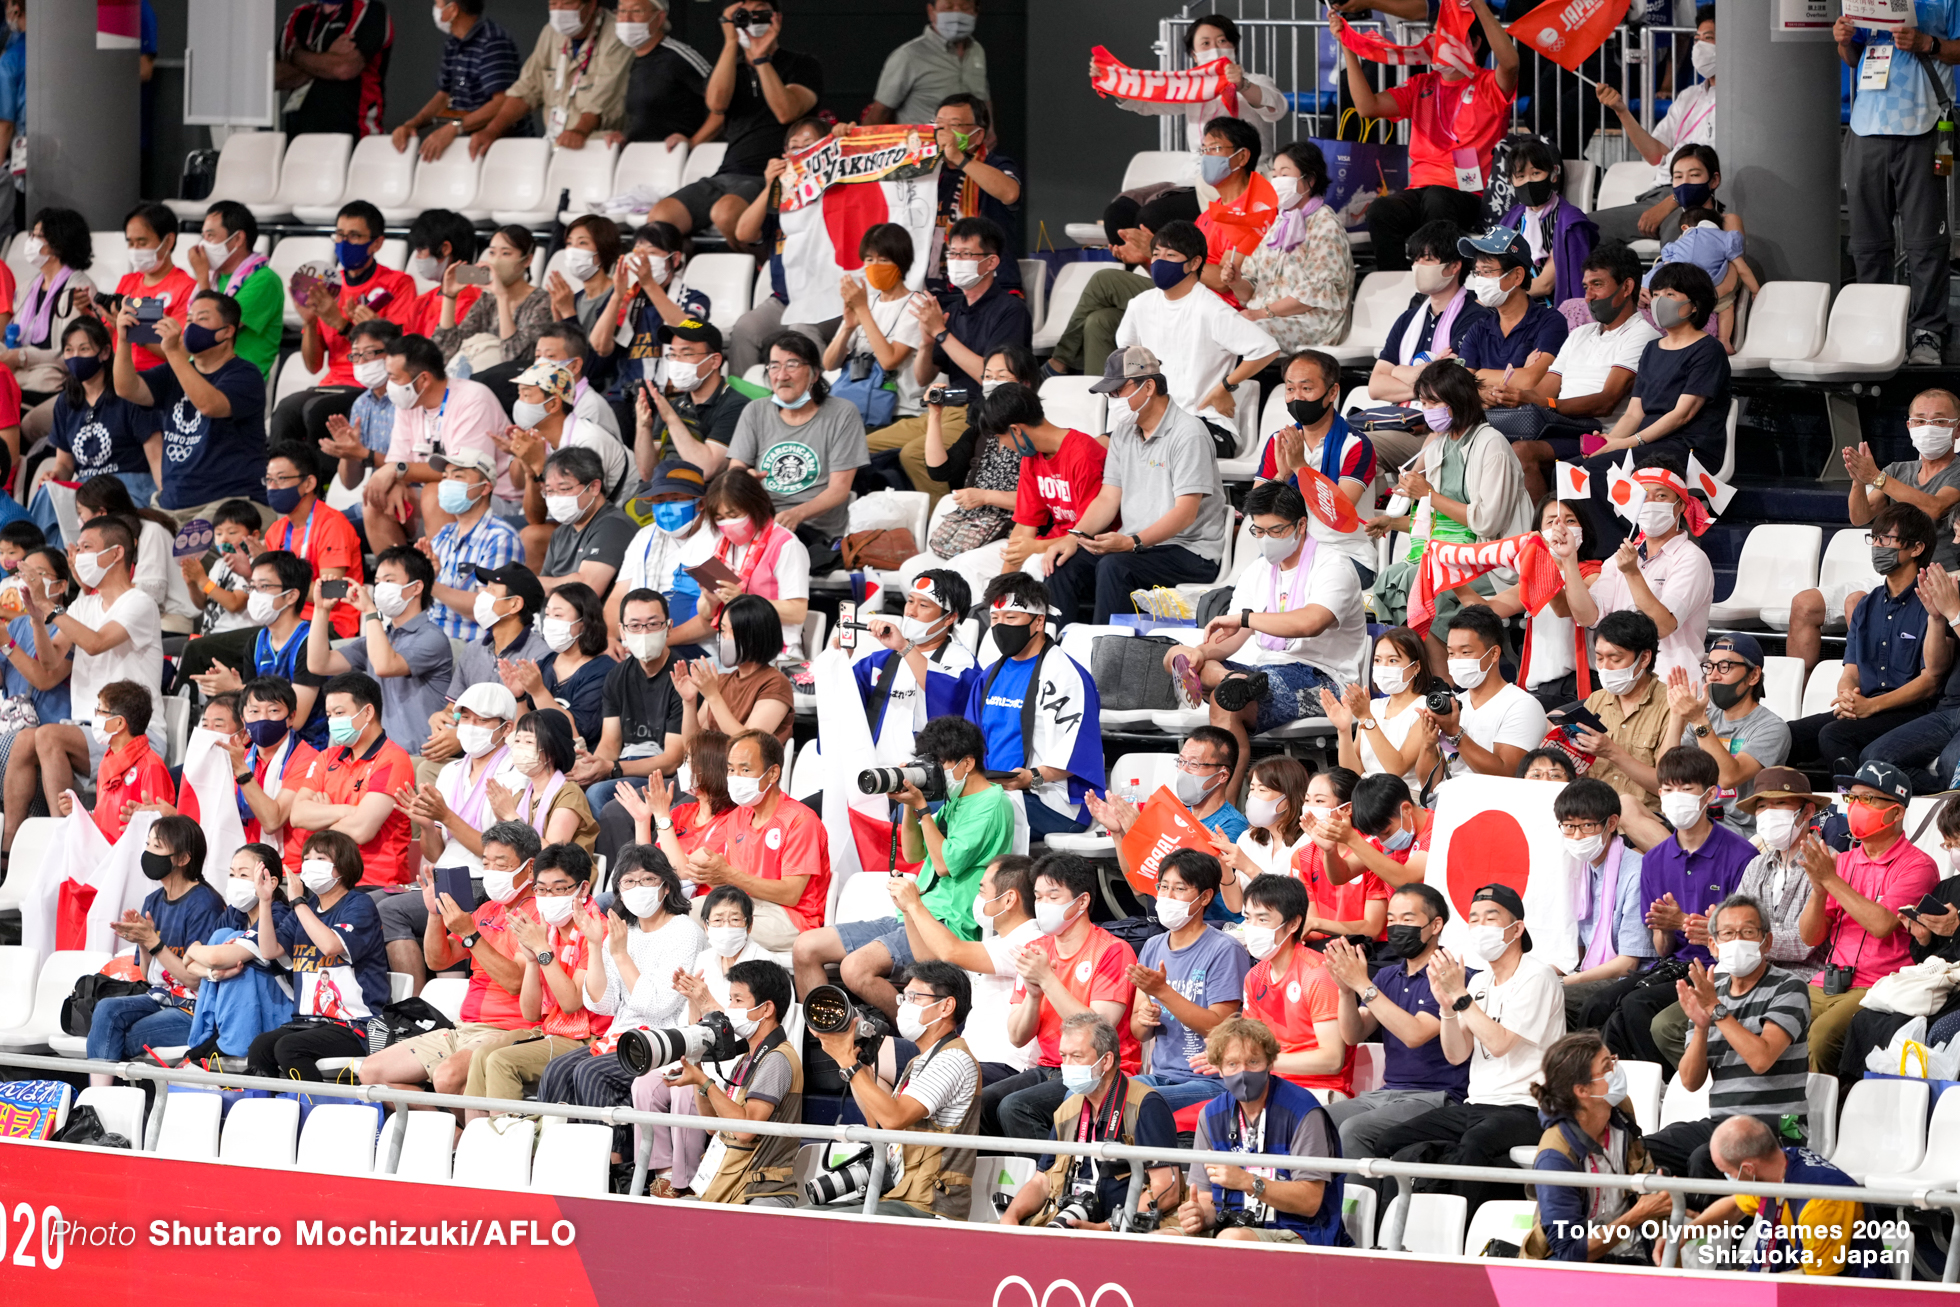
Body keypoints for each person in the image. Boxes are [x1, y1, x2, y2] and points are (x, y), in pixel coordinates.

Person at [792, 714, 1012, 1014]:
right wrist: (910, 807)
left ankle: (916, 1038)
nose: (934, 773)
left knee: (855, 969)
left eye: (940, 765)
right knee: (806, 947)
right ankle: (821, 1040)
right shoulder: (954, 800)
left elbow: (945, 864)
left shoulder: (992, 803)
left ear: (968, 763)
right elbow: (912, 852)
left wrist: (922, 808)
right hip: (911, 914)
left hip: (947, 925)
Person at [1371, 883, 1566, 1213]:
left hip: (1528, 1106)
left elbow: (1500, 1043)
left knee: (1476, 1142)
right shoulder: (1478, 983)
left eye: (1490, 918)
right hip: (1478, 1103)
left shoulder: (1538, 976)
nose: (1479, 927)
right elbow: (1456, 1053)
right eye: (1473, 919)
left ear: (1516, 928)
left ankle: (1458, 1238)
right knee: (1390, 1140)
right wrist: (1447, 1007)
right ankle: (1395, 1233)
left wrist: (1459, 997)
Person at [1172, 481, 1364, 784]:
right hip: (1266, 673)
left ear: (1301, 525)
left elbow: (1310, 622)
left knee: (1227, 698)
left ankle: (1226, 806)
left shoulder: (1333, 565)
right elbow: (1234, 637)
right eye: (1258, 531)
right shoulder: (1257, 571)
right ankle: (1230, 682)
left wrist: (1247, 618)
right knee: (1178, 654)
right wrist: (1203, 653)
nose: (1265, 540)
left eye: (1275, 531)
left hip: (1324, 680)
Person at [4, 516, 162, 853]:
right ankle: (9, 850)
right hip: (86, 729)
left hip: (132, 734)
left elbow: (94, 642)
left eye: (87, 547)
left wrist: (48, 606)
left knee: (47, 735)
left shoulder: (139, 602)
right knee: (23, 741)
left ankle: (65, 844)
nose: (78, 556)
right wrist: (36, 618)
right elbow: (50, 662)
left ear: (116, 553)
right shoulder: (84, 604)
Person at [535, 850, 703, 1165]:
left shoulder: (685, 932)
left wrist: (621, 955)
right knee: (557, 1071)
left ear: (666, 887)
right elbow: (604, 1001)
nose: (638, 887)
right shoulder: (625, 932)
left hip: (665, 1040)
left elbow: (656, 1005)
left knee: (591, 1072)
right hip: (624, 1035)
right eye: (629, 881)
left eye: (647, 880)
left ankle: (612, 1165)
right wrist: (597, 946)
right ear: (620, 892)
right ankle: (558, 1159)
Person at [1595, 746, 1757, 1069]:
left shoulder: (1740, 856)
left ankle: (1671, 1083)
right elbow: (1662, 947)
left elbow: (1742, 939)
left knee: (1636, 1007)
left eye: (1686, 789)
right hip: (1673, 965)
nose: (1675, 797)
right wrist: (1666, 927)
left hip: (1715, 969)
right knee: (1601, 1004)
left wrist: (1685, 920)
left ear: (1710, 794)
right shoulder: (1655, 859)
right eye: (1667, 789)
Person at [1042, 345, 1229, 623]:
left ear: (1149, 386)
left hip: (1190, 551)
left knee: (1115, 567)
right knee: (1062, 564)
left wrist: (1132, 542)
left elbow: (1185, 512)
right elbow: (1108, 498)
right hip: (1138, 547)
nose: (1112, 399)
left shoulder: (1189, 433)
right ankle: (1058, 650)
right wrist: (1073, 536)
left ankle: (1104, 651)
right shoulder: (1123, 433)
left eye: (1119, 391)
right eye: (1110, 393)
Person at [357, 820, 543, 1093]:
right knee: (371, 1072)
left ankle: (466, 1133)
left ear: (529, 867)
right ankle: (453, 1135)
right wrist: (435, 914)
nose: (491, 872)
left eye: (501, 865)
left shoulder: (539, 914)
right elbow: (438, 961)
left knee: (447, 1077)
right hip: (463, 1028)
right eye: (486, 864)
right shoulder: (487, 909)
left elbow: (515, 982)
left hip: (510, 1030)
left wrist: (471, 934)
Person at [1640, 894, 1813, 1187]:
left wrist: (1717, 1011)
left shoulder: (1789, 987)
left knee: (1703, 1159)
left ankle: (1710, 1233)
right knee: (1642, 1151)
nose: (1738, 941)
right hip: (1724, 1123)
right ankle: (1666, 1226)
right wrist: (1702, 1025)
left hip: (1782, 1126)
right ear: (1713, 945)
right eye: (1728, 934)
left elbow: (1762, 1060)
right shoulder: (1712, 991)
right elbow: (1691, 1081)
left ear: (1766, 942)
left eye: (1748, 932)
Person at [1338, 0, 1518, 268]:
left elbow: (1511, 63)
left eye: (1451, 33)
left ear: (1476, 43)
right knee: (1382, 209)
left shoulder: (1488, 84)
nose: (1441, 41)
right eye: (1438, 34)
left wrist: (1479, 5)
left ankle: (1443, 281)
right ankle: (1396, 283)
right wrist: (1347, 46)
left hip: (1468, 195)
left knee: (1438, 198)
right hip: (1420, 191)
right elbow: (1367, 107)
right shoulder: (1422, 84)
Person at [1793, 388, 1960, 672]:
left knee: (1857, 604)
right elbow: (1859, 516)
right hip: (1892, 575)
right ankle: (1799, 693)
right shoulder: (1898, 470)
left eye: (1940, 421)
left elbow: (1933, 508)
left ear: (1957, 429)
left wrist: (1877, 478)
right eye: (1920, 420)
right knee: (1805, 604)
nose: (1928, 428)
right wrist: (1859, 481)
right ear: (1908, 426)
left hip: (1939, 579)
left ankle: (1872, 687)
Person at [1796, 759, 1940, 1075]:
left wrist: (1830, 879)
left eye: (1868, 799)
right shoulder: (1844, 862)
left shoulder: (1918, 866)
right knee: (1770, 1017)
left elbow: (1881, 925)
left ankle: (1810, 1121)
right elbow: (1810, 937)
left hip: (1877, 987)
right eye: (1852, 798)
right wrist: (1819, 892)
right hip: (1827, 980)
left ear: (1897, 811)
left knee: (1819, 1039)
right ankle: (1760, 1114)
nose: (1856, 807)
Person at [871, 218, 1030, 500]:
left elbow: (992, 376)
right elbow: (922, 377)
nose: (957, 260)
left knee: (916, 454)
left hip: (981, 412)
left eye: (966, 254)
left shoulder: (1010, 310)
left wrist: (942, 333)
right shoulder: (953, 311)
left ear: (991, 262)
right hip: (945, 407)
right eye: (952, 253)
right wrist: (927, 342)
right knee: (863, 445)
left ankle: (940, 524)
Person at [988, 853, 1141, 1138]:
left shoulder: (1113, 951)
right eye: (1038, 897)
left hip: (1098, 1072)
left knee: (1016, 1107)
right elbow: (1017, 1036)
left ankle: (1050, 1179)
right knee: (983, 1103)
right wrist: (1033, 994)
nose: (1043, 905)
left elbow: (1099, 1032)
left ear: (1081, 902)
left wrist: (1047, 979)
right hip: (1049, 1067)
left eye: (1053, 897)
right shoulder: (1036, 948)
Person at [1368, 361, 1531, 625]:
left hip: (1493, 565)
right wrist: (1393, 523)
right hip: (1455, 556)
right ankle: (1407, 658)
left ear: (1459, 401)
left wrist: (1428, 495)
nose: (1428, 411)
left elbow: (1487, 522)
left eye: (1435, 403)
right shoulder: (1438, 447)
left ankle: (1438, 664)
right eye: (1424, 403)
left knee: (1423, 585)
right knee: (1390, 579)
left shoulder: (1492, 445)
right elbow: (1440, 524)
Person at [818, 959, 984, 1219]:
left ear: (946, 1006)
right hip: (901, 1195)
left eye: (914, 997)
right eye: (904, 998)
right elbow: (879, 1124)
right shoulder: (919, 1061)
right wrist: (860, 1072)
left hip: (929, 1204)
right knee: (807, 1215)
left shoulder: (954, 1059)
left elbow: (894, 1118)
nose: (904, 1006)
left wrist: (847, 1062)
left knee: (818, 1224)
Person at [1786, 503, 1945, 772]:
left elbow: (1930, 682)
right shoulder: (1866, 605)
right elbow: (1851, 670)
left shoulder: (1932, 602)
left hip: (1913, 711)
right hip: (1867, 706)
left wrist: (1871, 706)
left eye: (1886, 540)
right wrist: (1847, 697)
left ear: (1916, 548)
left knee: (1834, 734)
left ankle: (1855, 804)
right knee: (1787, 734)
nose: (1877, 547)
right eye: (1874, 538)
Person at [648, 0, 822, 246]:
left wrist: (762, 60)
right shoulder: (731, 68)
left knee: (726, 212)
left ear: (776, 19)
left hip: (774, 174)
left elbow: (786, 112)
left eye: (760, 13)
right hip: (727, 172)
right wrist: (731, 41)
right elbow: (716, 104)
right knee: (660, 217)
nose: (751, 20)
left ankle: (757, 270)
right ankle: (679, 270)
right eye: (744, 15)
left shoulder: (802, 65)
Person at [1497, 243, 1662, 499]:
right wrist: (1512, 396)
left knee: (1522, 451)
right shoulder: (1580, 333)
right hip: (1560, 426)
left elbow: (1605, 403)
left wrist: (1544, 401)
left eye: (1598, 285)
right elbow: (1544, 390)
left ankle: (1541, 533)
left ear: (1627, 287)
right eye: (1586, 287)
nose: (1588, 297)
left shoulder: (1643, 335)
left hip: (1600, 435)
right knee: (1490, 444)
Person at [1319, 885, 1471, 1162]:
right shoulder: (1387, 976)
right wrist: (1345, 990)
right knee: (1315, 1121)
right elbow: (1353, 1035)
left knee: (1355, 1129)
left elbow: (1415, 1034)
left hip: (1438, 1096)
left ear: (1436, 925)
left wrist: (1363, 984)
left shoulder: (1452, 975)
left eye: (1407, 919)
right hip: (1387, 1093)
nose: (1397, 927)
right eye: (1391, 919)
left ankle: (1357, 1205)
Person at [1580, 264, 1733, 537]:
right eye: (1657, 292)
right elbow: (1633, 413)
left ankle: (1617, 551)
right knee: (1573, 469)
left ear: (1694, 304)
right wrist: (1607, 443)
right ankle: (1583, 552)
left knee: (1597, 472)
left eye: (1671, 294)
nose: (1660, 301)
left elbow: (1682, 414)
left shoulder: (1709, 350)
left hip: (1687, 448)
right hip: (1647, 443)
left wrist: (1626, 443)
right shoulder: (1652, 348)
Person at [1840, 6, 1955, 364]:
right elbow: (1854, 55)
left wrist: (1928, 43)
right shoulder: (1866, 0)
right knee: (1867, 243)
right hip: (1866, 126)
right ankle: (1876, 330)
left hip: (1925, 124)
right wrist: (1843, 41)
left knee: (1926, 241)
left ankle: (1928, 333)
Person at [382, 681, 517, 984]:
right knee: (372, 903)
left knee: (391, 912)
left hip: (485, 881)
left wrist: (445, 815)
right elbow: (436, 853)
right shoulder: (451, 771)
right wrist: (428, 824)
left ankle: (414, 1007)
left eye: (482, 720)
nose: (471, 727)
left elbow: (499, 853)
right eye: (465, 719)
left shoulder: (514, 771)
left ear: (506, 728)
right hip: (447, 876)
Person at [1174, 1014, 1348, 1245]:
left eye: (1253, 1062)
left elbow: (1310, 1201)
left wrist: (1248, 1181)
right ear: (1219, 1068)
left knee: (1231, 1239)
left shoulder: (1303, 1112)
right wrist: (1199, 1216)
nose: (1243, 1073)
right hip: (1232, 1226)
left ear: (1270, 1062)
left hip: (1299, 1231)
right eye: (1233, 1064)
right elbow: (1207, 1198)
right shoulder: (1212, 1115)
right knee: (1164, 1238)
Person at [1113, 217, 1280, 457]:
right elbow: (1126, 358)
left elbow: (1266, 349)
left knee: (1156, 453)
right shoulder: (1140, 305)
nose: (1160, 262)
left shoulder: (1210, 308)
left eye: (1170, 256)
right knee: (1100, 449)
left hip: (1205, 424)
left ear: (1194, 263)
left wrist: (1225, 386)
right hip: (1153, 421)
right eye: (1156, 254)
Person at [1000, 1012, 1181, 1228]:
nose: (1066, 1065)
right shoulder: (1068, 1109)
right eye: (1063, 1056)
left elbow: (1167, 1188)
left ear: (1106, 1061)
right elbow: (1042, 1181)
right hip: (1074, 1220)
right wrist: (1011, 1216)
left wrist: (1106, 1228)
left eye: (1076, 1056)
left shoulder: (1146, 1105)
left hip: (1128, 1231)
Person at [462, 845, 605, 1114]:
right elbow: (529, 1012)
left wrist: (541, 952)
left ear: (583, 889)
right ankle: (478, 1148)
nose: (548, 897)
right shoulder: (546, 930)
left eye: (558, 889)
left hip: (588, 1036)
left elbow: (572, 1002)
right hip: (549, 1027)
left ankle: (508, 1146)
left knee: (502, 1061)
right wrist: (530, 959)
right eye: (541, 889)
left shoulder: (596, 928)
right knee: (480, 1056)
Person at [81, 816, 223, 1079]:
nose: (148, 853)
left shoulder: (205, 903)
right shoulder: (153, 900)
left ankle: (102, 1103)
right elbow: (148, 977)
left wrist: (153, 942)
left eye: (157, 847)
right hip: (159, 998)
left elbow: (195, 979)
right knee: (105, 1010)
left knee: (121, 1034)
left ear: (183, 858)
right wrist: (142, 943)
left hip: (193, 1008)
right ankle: (97, 1100)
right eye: (147, 844)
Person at [964, 575, 1105, 839]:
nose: (1000, 626)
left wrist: (1030, 778)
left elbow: (1078, 752)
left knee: (976, 812)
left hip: (1053, 801)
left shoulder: (1067, 676)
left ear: (1038, 621)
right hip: (993, 792)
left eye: (1011, 618)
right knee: (926, 804)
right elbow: (967, 740)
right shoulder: (989, 676)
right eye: (995, 619)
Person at [244, 829, 391, 1079]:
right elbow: (269, 950)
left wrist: (298, 902)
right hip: (308, 1022)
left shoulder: (359, 905)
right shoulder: (306, 908)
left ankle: (318, 1109)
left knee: (290, 1048)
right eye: (307, 858)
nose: (310, 864)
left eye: (320, 859)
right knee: (261, 1046)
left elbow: (331, 946)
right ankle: (271, 1110)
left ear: (342, 866)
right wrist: (265, 902)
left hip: (357, 1024)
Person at [110, 290, 266, 524]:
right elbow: (126, 389)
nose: (192, 325)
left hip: (227, 506)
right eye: (190, 318)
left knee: (182, 555)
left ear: (228, 331)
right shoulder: (174, 371)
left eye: (202, 319)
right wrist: (123, 340)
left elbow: (209, 405)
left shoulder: (246, 374)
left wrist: (173, 352)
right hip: (169, 505)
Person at [272, 202, 419, 449]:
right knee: (286, 410)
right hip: (331, 384)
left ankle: (323, 483)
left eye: (354, 236)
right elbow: (313, 364)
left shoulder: (398, 284)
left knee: (316, 411)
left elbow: (399, 351)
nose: (344, 242)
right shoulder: (328, 288)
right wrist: (309, 323)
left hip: (373, 385)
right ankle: (281, 479)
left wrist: (341, 324)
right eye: (339, 234)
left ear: (376, 243)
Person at [1559, 464, 1716, 681]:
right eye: (1643, 496)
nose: (1650, 504)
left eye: (1661, 496)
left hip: (1672, 685)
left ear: (1680, 505)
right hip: (1621, 682)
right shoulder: (1619, 558)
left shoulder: (1691, 558)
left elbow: (1662, 626)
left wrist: (1632, 574)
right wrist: (1569, 559)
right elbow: (1587, 616)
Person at [1526, 1031, 1672, 1263]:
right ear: (1582, 1090)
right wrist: (1638, 1215)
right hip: (1584, 1270)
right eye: (1607, 1067)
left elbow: (1642, 1170)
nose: (1616, 1071)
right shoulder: (1555, 1157)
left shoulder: (1620, 1110)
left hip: (1637, 1252)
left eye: (1612, 1061)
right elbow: (1568, 1254)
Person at [726, 331, 867, 573]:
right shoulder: (755, 411)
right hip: (759, 521)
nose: (781, 375)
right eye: (774, 366)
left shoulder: (842, 413)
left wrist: (796, 514)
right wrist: (744, 482)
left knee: (761, 562)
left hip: (814, 528)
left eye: (792, 365)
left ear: (814, 373)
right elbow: (734, 474)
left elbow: (839, 490)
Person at [1679, 1115, 1886, 1276]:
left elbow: (1819, 1287)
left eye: (1727, 1172)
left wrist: (1749, 1286)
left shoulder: (1821, 1202)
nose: (1727, 1178)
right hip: (1780, 1280)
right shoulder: (1777, 1165)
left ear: (1748, 1169)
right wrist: (1685, 1234)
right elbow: (1735, 1206)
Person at [365, 334, 514, 554]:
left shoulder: (473, 399)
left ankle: (441, 583)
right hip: (438, 501)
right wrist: (396, 481)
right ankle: (397, 579)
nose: (389, 386)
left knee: (437, 493)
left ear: (423, 380)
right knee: (376, 500)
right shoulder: (408, 403)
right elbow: (397, 461)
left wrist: (397, 471)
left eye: (394, 378)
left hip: (491, 497)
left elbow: (465, 474)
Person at [671, 958, 804, 1206]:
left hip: (760, 1193)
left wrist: (706, 1083)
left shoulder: (777, 1058)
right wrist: (696, 1072)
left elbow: (744, 1130)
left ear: (766, 1009)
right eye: (730, 999)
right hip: (729, 1186)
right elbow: (712, 1125)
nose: (730, 1008)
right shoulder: (747, 1058)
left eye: (738, 1000)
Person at [1127, 850, 1250, 1111]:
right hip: (1160, 1076)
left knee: (1138, 1102)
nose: (1167, 896)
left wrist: (1162, 991)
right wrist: (1145, 1018)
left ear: (1205, 897)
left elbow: (1218, 1027)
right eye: (1163, 887)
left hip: (1211, 1080)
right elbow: (1139, 1032)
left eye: (1179, 888)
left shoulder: (1224, 950)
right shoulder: (1152, 946)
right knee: (1089, 1097)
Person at [682, 729, 828, 949]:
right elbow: (734, 881)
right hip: (746, 906)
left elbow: (791, 894)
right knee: (679, 916)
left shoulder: (801, 819)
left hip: (792, 918)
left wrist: (729, 874)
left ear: (773, 773)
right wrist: (708, 873)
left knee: (714, 929)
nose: (735, 777)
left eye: (746, 769)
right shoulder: (737, 817)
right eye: (731, 769)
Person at [304, 547, 452, 758]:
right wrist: (321, 610)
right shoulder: (379, 638)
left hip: (422, 756)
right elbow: (319, 664)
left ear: (416, 587)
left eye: (389, 581)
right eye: (378, 582)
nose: (381, 587)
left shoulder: (432, 637)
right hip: (382, 756)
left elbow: (385, 666)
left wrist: (370, 611)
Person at [1045, 189, 1202, 382]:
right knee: (1099, 321)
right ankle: (1098, 403)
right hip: (1174, 293)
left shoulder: (1226, 220)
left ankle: (1059, 362)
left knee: (1104, 280)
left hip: (1197, 298)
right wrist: (1145, 261)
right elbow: (1169, 279)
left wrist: (1150, 250)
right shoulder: (1207, 219)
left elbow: (1209, 278)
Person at [1364, 219, 1492, 455]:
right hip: (1403, 421)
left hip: (1447, 429)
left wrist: (1399, 371)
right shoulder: (1408, 319)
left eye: (1428, 259)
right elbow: (1375, 386)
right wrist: (1427, 383)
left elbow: (1451, 384)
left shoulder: (1474, 315)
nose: (1418, 266)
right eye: (1415, 259)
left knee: (1361, 448)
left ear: (1454, 266)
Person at [1591, 9, 1718, 246]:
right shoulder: (1690, 95)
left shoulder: (1736, 104)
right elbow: (1655, 154)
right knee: (1581, 229)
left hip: (1693, 199)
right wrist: (1621, 110)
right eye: (1697, 39)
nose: (1699, 46)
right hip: (1658, 193)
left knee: (1680, 237)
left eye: (1708, 38)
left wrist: (1668, 204)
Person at [1088, 729, 1251, 907]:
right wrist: (1119, 833)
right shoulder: (1172, 814)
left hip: (1208, 925)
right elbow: (1139, 887)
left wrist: (1142, 831)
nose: (1183, 771)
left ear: (1222, 775)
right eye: (1181, 762)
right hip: (1165, 924)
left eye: (1194, 764)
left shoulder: (1232, 827)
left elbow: (1185, 888)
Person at [1250, 350, 1376, 580]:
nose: (1297, 397)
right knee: (1249, 588)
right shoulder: (1279, 442)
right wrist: (1282, 474)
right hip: (1287, 550)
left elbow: (1340, 515)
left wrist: (1299, 467)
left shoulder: (1356, 445)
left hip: (1346, 554)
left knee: (1301, 587)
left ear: (1332, 392)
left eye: (1306, 389)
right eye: (1290, 389)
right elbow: (1257, 511)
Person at [287, 672, 418, 887]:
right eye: (329, 715)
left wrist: (321, 819)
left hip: (374, 884)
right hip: (322, 879)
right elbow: (297, 815)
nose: (333, 721)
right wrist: (347, 811)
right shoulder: (327, 756)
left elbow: (361, 831)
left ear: (367, 712)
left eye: (339, 713)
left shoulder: (393, 758)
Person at [1222, 142, 1354, 352]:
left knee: (1246, 333)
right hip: (1266, 318)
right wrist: (1237, 281)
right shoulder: (1278, 223)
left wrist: (1261, 314)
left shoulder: (1325, 223)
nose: (1276, 182)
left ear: (1309, 180)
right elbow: (1249, 289)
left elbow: (1315, 293)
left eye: (1284, 175)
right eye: (1274, 175)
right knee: (1217, 327)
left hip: (1310, 323)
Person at [184, 550, 322, 750]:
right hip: (262, 747)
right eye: (253, 587)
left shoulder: (309, 642)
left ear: (291, 595)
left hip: (305, 750)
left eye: (264, 586)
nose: (255, 595)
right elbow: (253, 711)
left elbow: (296, 717)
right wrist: (230, 691)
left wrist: (237, 689)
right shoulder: (256, 642)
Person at [178, 844, 300, 1062]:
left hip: (278, 1007)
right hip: (240, 1006)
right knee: (223, 936)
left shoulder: (278, 914)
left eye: (243, 874)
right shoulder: (235, 913)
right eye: (232, 874)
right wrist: (214, 973)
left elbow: (212, 957)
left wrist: (194, 950)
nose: (235, 880)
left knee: (238, 959)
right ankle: (214, 1034)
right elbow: (190, 966)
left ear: (271, 882)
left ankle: (232, 1040)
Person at [1112, 14, 1285, 160]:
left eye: (1222, 41)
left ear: (1234, 47)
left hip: (1248, 173)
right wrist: (1113, 84)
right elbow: (1146, 104)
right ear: (1194, 55)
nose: (1215, 49)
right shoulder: (1190, 87)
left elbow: (1277, 109)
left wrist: (1242, 85)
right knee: (1131, 199)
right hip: (1198, 174)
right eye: (1205, 44)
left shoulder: (1257, 80)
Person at [1555, 778, 1656, 1028]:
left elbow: (1628, 963)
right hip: (1585, 970)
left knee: (1550, 997)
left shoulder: (1636, 873)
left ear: (1611, 823)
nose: (1577, 836)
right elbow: (1572, 946)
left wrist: (1561, 983)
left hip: (1630, 976)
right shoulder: (1574, 869)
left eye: (1587, 826)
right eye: (1568, 827)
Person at [472, 0, 633, 155]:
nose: (559, 11)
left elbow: (602, 99)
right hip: (554, 144)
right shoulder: (551, 32)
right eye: (553, 4)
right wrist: (492, 130)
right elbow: (527, 88)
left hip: (596, 146)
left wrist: (579, 131)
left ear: (591, 5)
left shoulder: (616, 34)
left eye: (567, 3)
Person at [1238, 872, 1349, 1095]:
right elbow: (1251, 1042)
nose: (1251, 927)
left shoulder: (1318, 974)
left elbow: (1332, 1059)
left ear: (1293, 924)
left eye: (1262, 919)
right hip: (1268, 1085)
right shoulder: (1254, 976)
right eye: (1247, 918)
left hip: (1318, 1089)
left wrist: (1261, 1063)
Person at [573, 588, 683, 810]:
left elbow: (673, 760)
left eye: (653, 624)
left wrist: (613, 768)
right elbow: (610, 742)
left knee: (599, 794)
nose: (644, 632)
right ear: (622, 631)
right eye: (634, 626)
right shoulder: (616, 675)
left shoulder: (683, 675)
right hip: (624, 765)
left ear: (668, 627)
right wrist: (593, 765)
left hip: (664, 775)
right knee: (570, 788)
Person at [848, 571, 976, 763]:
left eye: (923, 605)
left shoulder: (962, 662)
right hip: (875, 776)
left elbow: (948, 694)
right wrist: (840, 657)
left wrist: (904, 647)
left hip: (928, 781)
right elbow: (841, 701)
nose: (910, 611)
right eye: (909, 601)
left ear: (950, 618)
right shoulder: (878, 662)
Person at [984, 384, 1107, 581]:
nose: (1004, 446)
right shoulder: (1031, 458)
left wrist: (1036, 548)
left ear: (1015, 430)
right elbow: (1025, 524)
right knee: (968, 564)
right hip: (1049, 543)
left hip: (1087, 548)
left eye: (1001, 438)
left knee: (1034, 566)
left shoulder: (1084, 454)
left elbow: (1091, 532)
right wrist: (1001, 584)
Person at [45, 316, 158, 509]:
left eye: (84, 349)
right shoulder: (65, 402)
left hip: (127, 486)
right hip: (86, 487)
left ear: (105, 352)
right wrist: (54, 475)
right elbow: (64, 464)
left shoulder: (130, 394)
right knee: (46, 498)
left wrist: (165, 501)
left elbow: (156, 454)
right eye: (69, 350)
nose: (75, 356)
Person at [1427, 602, 1548, 778]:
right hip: (1446, 799)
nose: (1456, 660)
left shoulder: (1522, 706)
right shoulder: (1454, 703)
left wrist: (1455, 733)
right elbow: (1429, 783)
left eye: (1466, 652)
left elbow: (1506, 772)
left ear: (1494, 654)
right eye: (1451, 653)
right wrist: (1427, 744)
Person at [391, 0, 522, 161]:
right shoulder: (453, 43)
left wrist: (454, 128)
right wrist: (411, 124)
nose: (435, 9)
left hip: (499, 149)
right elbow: (444, 96)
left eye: (437, 4)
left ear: (452, 9)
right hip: (464, 144)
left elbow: (503, 102)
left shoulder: (493, 41)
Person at [1570, 610, 1673, 814]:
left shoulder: (1671, 705)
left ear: (1644, 658)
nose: (1605, 668)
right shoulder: (1596, 700)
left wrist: (1612, 752)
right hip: (1593, 818)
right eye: (1599, 658)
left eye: (1615, 659)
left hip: (1646, 820)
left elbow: (1667, 787)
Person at [820, 223, 926, 421]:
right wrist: (848, 328)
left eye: (883, 260)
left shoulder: (917, 305)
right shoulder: (867, 304)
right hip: (857, 406)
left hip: (901, 411)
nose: (874, 266)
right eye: (869, 259)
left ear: (901, 262)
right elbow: (829, 363)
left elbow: (889, 361)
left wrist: (862, 311)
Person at [918, 94, 1022, 292]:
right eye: (939, 124)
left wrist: (959, 158)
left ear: (978, 135)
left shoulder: (996, 165)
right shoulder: (924, 169)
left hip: (990, 288)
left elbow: (1010, 193)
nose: (944, 132)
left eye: (954, 125)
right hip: (931, 288)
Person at [419, 449, 523, 644]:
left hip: (471, 645)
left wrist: (430, 584)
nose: (447, 483)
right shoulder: (444, 534)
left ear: (484, 488)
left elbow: (491, 608)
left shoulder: (501, 538)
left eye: (457, 476)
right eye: (444, 477)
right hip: (430, 638)